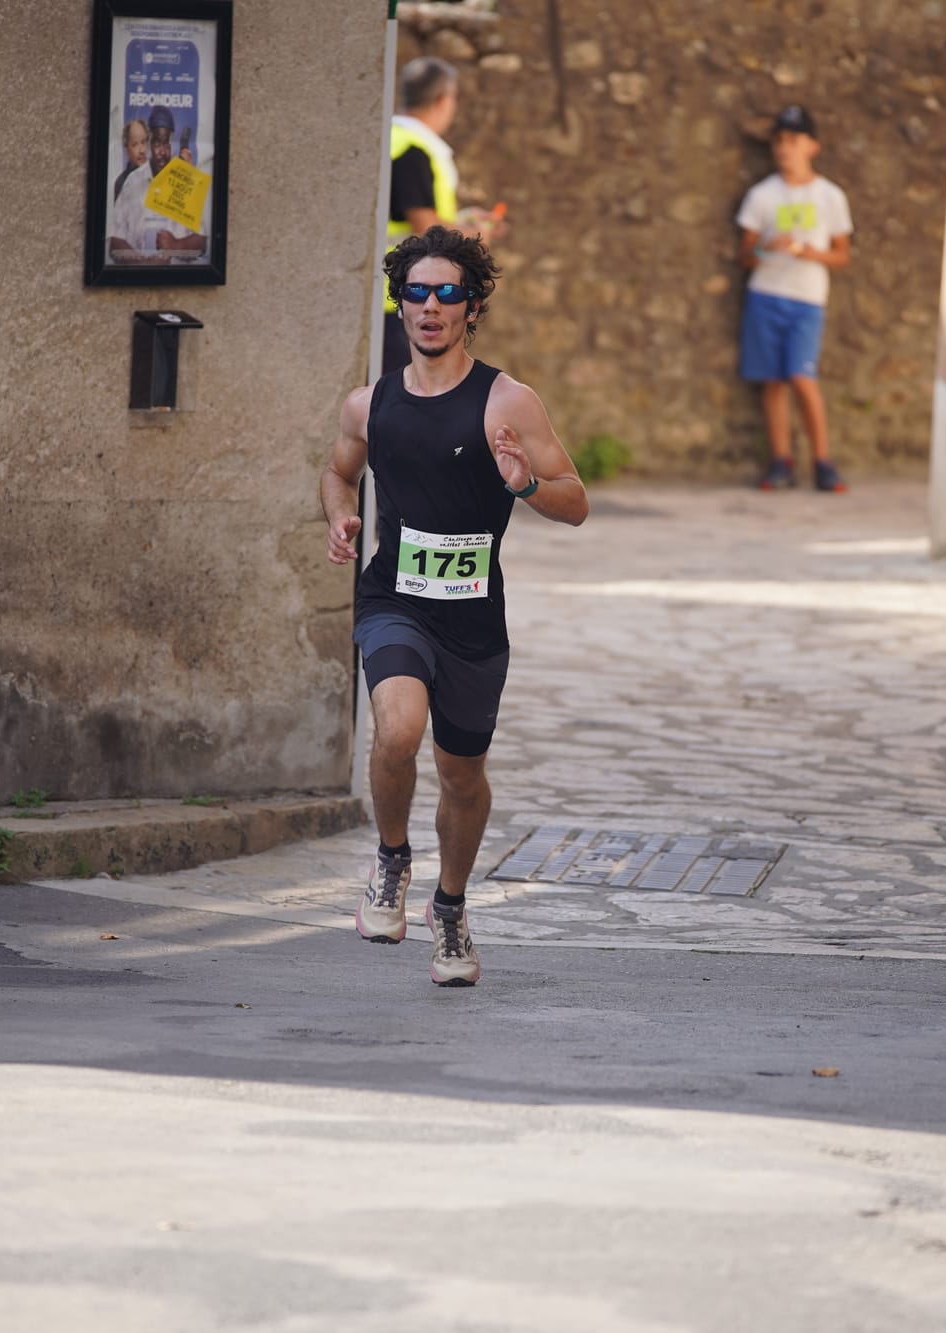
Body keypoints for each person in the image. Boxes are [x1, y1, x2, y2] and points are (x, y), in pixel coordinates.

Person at [321, 226, 588, 986]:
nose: (430, 307)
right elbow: (337, 474)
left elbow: (576, 502)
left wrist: (526, 484)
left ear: (472, 308)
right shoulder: (368, 403)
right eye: (416, 293)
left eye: (447, 294)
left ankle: (450, 907)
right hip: (393, 597)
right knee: (398, 729)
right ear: (399, 306)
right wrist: (339, 514)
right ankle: (393, 858)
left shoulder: (508, 401)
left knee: (462, 774)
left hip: (473, 616)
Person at [736, 104, 853, 492]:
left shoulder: (830, 196)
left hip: (808, 299)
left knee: (803, 378)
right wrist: (768, 248)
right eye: (779, 141)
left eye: (793, 140)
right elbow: (745, 255)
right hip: (767, 294)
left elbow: (841, 254)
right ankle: (780, 462)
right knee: (772, 382)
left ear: (812, 146)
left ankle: (823, 462)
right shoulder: (762, 196)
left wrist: (806, 251)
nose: (785, 149)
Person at [383, 57, 502, 374]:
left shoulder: (389, 136)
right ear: (443, 99)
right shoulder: (415, 148)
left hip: (392, 291)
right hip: (406, 294)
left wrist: (461, 218)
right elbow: (424, 225)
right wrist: (471, 233)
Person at [107, 106, 204, 264]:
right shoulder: (132, 181)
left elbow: (202, 243)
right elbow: (115, 243)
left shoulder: (184, 180)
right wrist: (143, 264)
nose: (163, 151)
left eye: (167, 144)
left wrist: (176, 245)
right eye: (158, 143)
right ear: (149, 143)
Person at [112, 118, 149, 201]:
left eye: (143, 142)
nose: (141, 150)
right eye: (135, 144)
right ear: (126, 149)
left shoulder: (157, 176)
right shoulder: (121, 183)